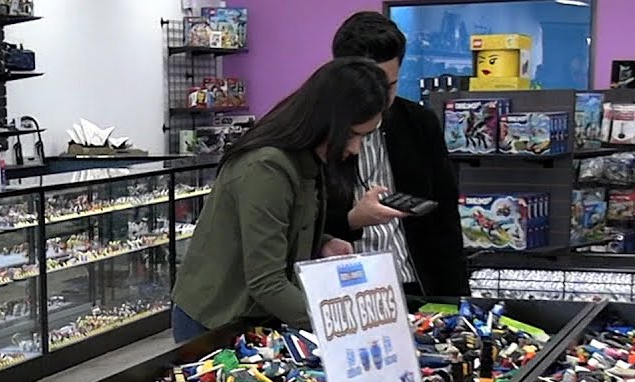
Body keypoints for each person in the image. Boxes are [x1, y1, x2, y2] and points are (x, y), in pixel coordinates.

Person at [171, 57, 390, 342]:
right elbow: (267, 281)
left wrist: (323, 242)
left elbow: (281, 226)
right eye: (351, 134)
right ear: (327, 120)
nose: (355, 148)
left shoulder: (307, 157)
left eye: (364, 137)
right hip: (217, 320)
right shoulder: (267, 168)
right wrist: (344, 327)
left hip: (254, 315)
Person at [326, 11, 469, 297]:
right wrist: (352, 219)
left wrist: (458, 300)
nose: (378, 98)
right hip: (341, 289)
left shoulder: (420, 123)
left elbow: (445, 220)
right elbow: (297, 227)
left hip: (413, 286)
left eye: (388, 86)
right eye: (367, 85)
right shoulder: (315, 128)